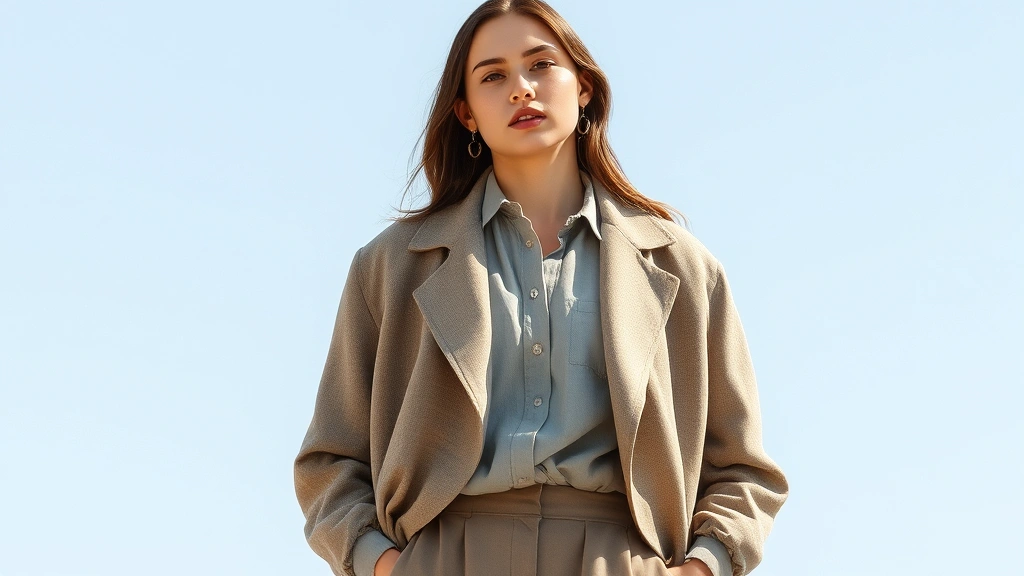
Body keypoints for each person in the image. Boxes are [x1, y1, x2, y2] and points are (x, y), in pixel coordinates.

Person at [293, 1, 788, 575]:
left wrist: (702, 568)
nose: (521, 89)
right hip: (443, 557)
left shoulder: (683, 268)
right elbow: (330, 459)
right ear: (467, 113)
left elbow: (743, 471)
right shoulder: (390, 267)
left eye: (541, 65)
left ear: (583, 87)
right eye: (493, 76)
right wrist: (383, 566)